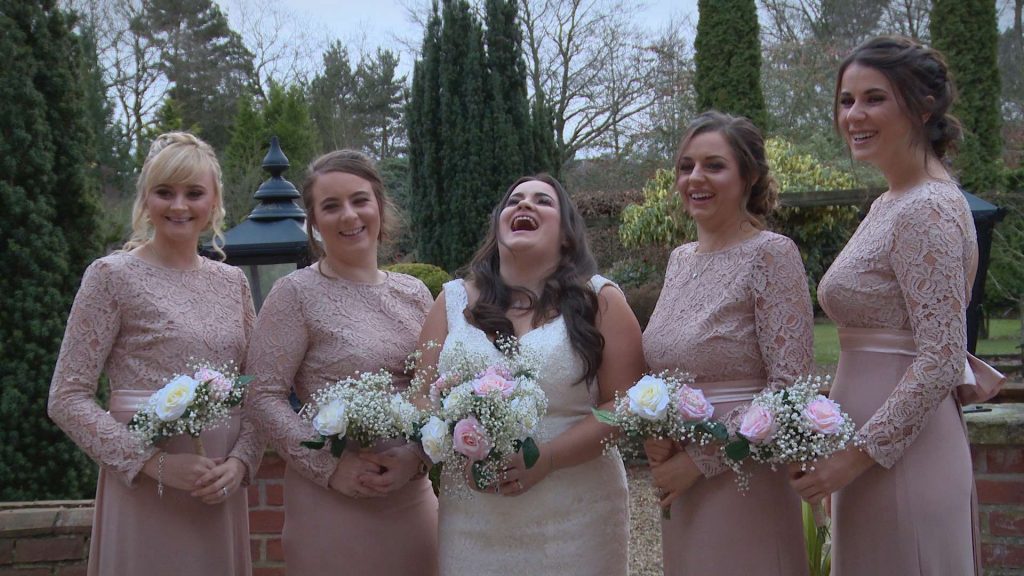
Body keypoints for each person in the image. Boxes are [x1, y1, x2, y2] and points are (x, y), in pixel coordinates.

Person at [789, 36, 980, 575]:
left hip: (903, 458)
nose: (854, 114)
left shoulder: (929, 208)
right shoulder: (889, 202)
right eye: (846, 101)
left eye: (874, 98)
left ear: (922, 106)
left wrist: (853, 458)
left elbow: (943, 356)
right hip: (862, 458)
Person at [48, 132, 261, 576]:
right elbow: (66, 397)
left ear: (215, 201)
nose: (179, 206)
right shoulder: (111, 277)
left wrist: (241, 463)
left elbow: (258, 390)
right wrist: (155, 464)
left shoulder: (233, 283)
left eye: (194, 193)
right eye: (165, 192)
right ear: (146, 199)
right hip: (145, 485)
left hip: (218, 489)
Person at [416, 174, 645, 575]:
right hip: (474, 521)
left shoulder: (601, 301)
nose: (524, 206)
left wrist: (550, 457)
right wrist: (457, 449)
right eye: (514, 200)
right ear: (498, 224)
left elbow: (625, 404)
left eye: (543, 201)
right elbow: (420, 396)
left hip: (578, 519)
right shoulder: (450, 301)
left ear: (566, 233)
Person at [246, 149, 437, 576]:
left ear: (379, 206)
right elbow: (262, 395)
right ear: (314, 222)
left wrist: (415, 458)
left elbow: (436, 393)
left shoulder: (416, 294)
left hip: (412, 502)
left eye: (359, 200)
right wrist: (331, 468)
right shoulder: (295, 294)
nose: (349, 216)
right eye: (331, 206)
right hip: (331, 504)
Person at [642, 111, 814, 575]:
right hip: (679, 479)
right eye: (686, 166)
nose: (695, 178)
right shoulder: (679, 260)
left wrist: (700, 460)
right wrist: (655, 431)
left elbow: (789, 388)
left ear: (749, 176)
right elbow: (665, 363)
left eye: (714, 166)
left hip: (744, 474)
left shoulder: (772, 254)